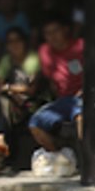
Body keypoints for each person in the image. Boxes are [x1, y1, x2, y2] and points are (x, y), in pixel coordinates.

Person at [28, 17, 83, 171]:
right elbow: (51, 78)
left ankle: (87, 158)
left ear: (65, 30)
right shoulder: (44, 51)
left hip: (84, 97)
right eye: (47, 33)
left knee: (81, 117)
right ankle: (60, 156)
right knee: (35, 123)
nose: (52, 36)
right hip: (63, 100)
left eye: (55, 31)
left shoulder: (81, 46)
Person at [0, 28, 42, 175]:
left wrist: (8, 88)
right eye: (10, 42)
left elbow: (31, 89)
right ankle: (0, 145)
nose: (14, 45)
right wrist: (8, 90)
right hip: (11, 103)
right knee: (1, 102)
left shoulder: (33, 59)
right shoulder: (6, 60)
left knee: (2, 103)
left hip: (31, 103)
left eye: (17, 40)